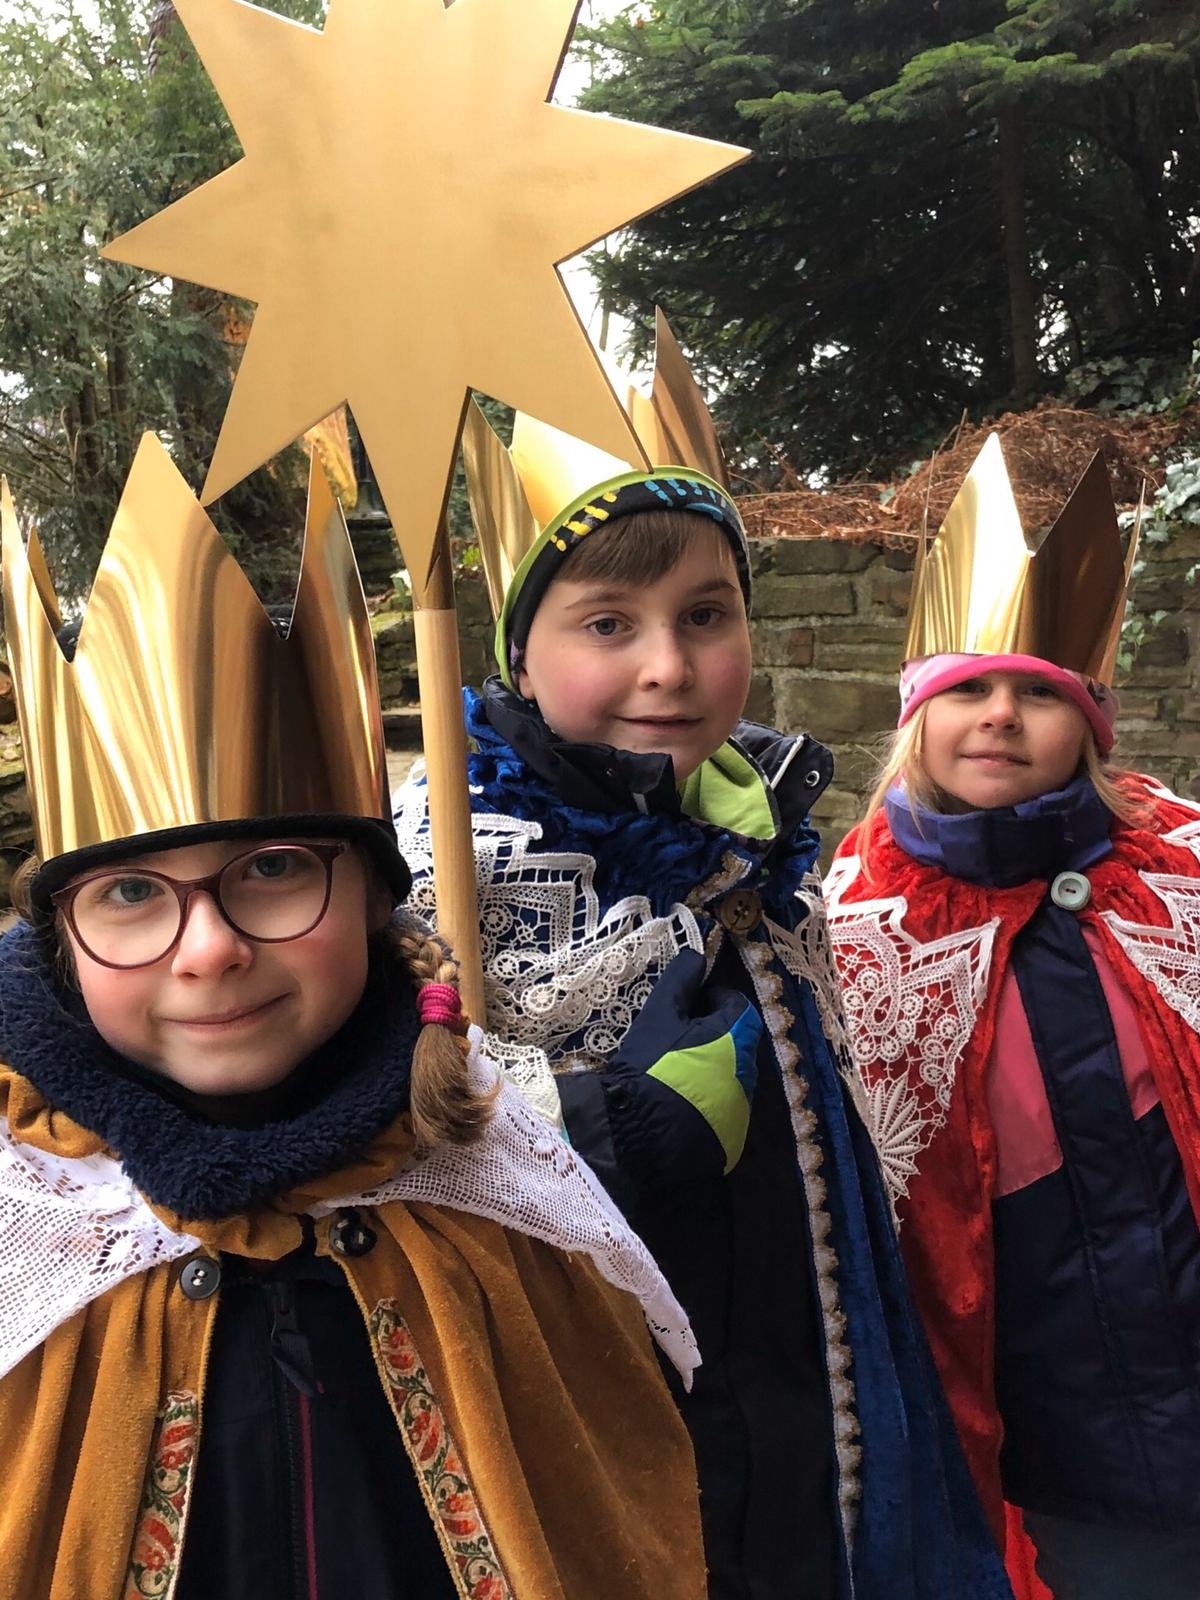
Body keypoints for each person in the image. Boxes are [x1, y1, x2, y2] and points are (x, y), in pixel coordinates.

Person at [0, 435, 708, 1600]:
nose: (211, 945)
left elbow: (616, 1506)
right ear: (58, 944)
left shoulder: (495, 1175)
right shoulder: (30, 1215)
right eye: (130, 894)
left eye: (274, 866)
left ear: (378, 898)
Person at [395, 316, 1012, 1599]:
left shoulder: (767, 849)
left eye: (706, 614)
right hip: (597, 1440)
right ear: (522, 647)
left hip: (798, 1415)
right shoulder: (432, 865)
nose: (669, 668)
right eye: (607, 622)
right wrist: (612, 1119)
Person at [825, 434, 1200, 1600]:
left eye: (1039, 692)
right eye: (968, 690)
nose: (1000, 715)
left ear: (1090, 720)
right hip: (1051, 1418)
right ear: (914, 719)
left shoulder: (1182, 865)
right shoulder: (854, 922)